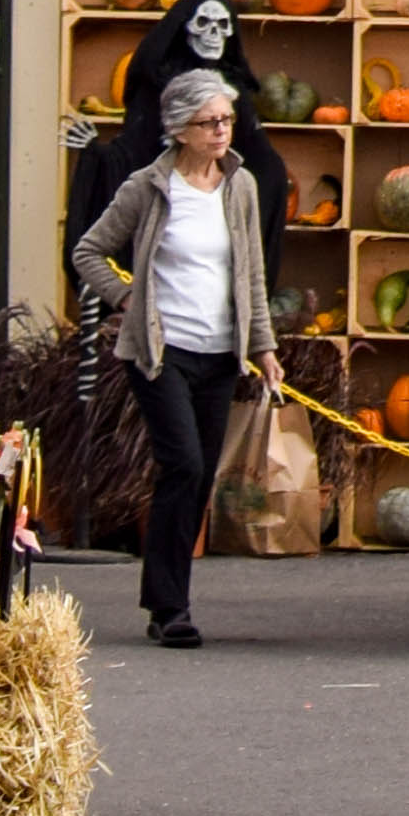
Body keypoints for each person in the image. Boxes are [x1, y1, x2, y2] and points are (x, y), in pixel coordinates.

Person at [69, 67, 279, 645]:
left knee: (198, 476)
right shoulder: (148, 186)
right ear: (180, 129)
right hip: (160, 353)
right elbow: (88, 251)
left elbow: (251, 275)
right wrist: (127, 296)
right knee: (182, 464)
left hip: (219, 355)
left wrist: (264, 348)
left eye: (227, 120)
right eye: (209, 122)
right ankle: (169, 609)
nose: (221, 132)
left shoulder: (241, 186)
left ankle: (170, 597)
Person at [66, 0, 293, 271]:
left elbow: (256, 151)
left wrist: (266, 177)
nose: (213, 34)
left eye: (222, 25)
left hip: (216, 198)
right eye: (203, 23)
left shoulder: (232, 83)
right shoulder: (159, 83)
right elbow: (135, 149)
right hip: (168, 199)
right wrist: (96, 155)